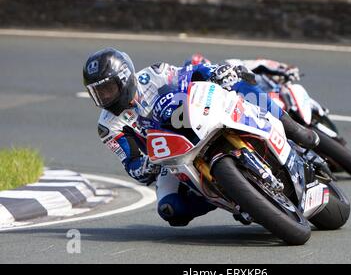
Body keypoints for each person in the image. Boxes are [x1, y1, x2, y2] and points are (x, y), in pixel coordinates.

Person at [82, 48, 319, 227]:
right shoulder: (108, 126)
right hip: (170, 159)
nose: (104, 97)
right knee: (171, 211)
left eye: (107, 89)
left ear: (124, 78)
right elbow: (132, 164)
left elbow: (191, 73)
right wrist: (147, 163)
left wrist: (215, 72)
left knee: (240, 87)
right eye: (97, 93)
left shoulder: (153, 75)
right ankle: (238, 199)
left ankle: (292, 127)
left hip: (198, 118)